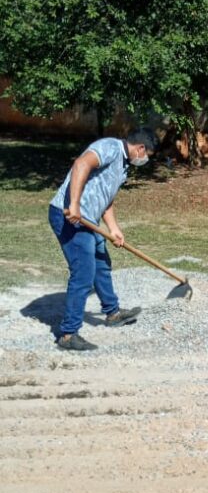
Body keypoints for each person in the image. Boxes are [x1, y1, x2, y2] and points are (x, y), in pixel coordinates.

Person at [48, 127, 158, 350]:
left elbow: (106, 197)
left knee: (101, 264)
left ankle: (113, 313)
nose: (145, 160)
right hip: (69, 215)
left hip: (89, 219)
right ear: (141, 148)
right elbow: (81, 164)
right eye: (147, 155)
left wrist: (114, 228)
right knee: (84, 274)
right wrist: (75, 204)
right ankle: (68, 334)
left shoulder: (123, 166)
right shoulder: (110, 147)